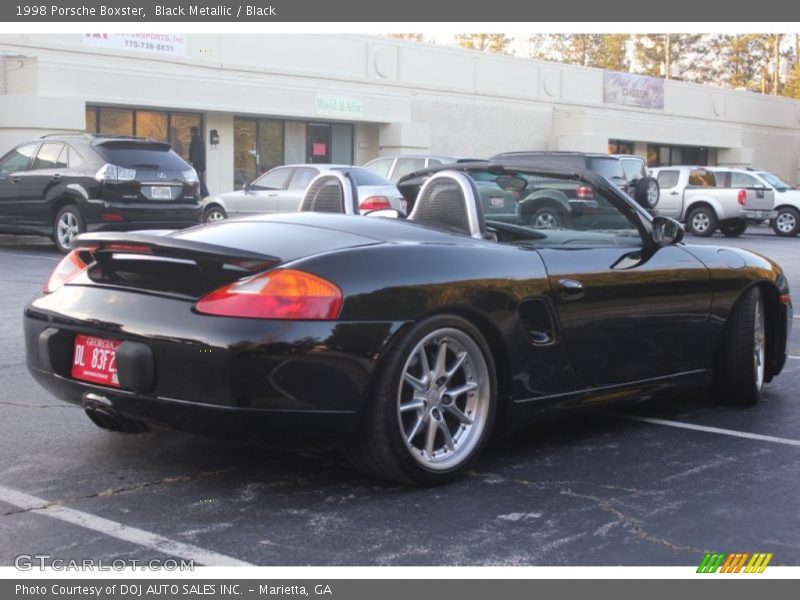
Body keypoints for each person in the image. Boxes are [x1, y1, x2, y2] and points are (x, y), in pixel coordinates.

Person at [188, 126, 209, 197]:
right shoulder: (201, 141)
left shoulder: (195, 141)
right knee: (199, 181)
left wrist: (191, 162)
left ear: (192, 132)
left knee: (200, 181)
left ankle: (206, 195)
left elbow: (194, 153)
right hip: (201, 165)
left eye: (190, 132)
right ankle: (202, 195)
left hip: (197, 166)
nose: (190, 133)